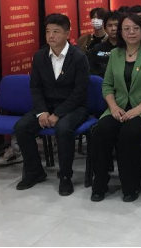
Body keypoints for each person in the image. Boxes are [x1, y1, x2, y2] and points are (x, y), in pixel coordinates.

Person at [91, 14, 141, 203]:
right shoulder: (115, 54)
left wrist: (138, 109)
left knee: (128, 134)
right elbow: (107, 85)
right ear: (121, 32)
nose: (131, 32)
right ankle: (100, 183)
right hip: (118, 108)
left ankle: (131, 186)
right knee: (101, 130)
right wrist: (113, 107)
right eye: (126, 28)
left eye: (135, 28)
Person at [15, 14, 90, 197]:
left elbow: (80, 92)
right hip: (46, 106)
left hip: (74, 107)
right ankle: (34, 171)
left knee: (63, 129)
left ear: (67, 34)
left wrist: (57, 114)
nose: (51, 36)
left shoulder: (79, 57)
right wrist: (42, 112)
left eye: (56, 32)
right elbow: (35, 87)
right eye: (48, 31)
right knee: (22, 127)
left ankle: (65, 176)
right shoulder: (40, 56)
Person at [89, 11, 122, 78]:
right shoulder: (97, 48)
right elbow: (91, 70)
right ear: (105, 28)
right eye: (110, 25)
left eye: (116, 25)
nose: (113, 29)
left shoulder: (127, 47)